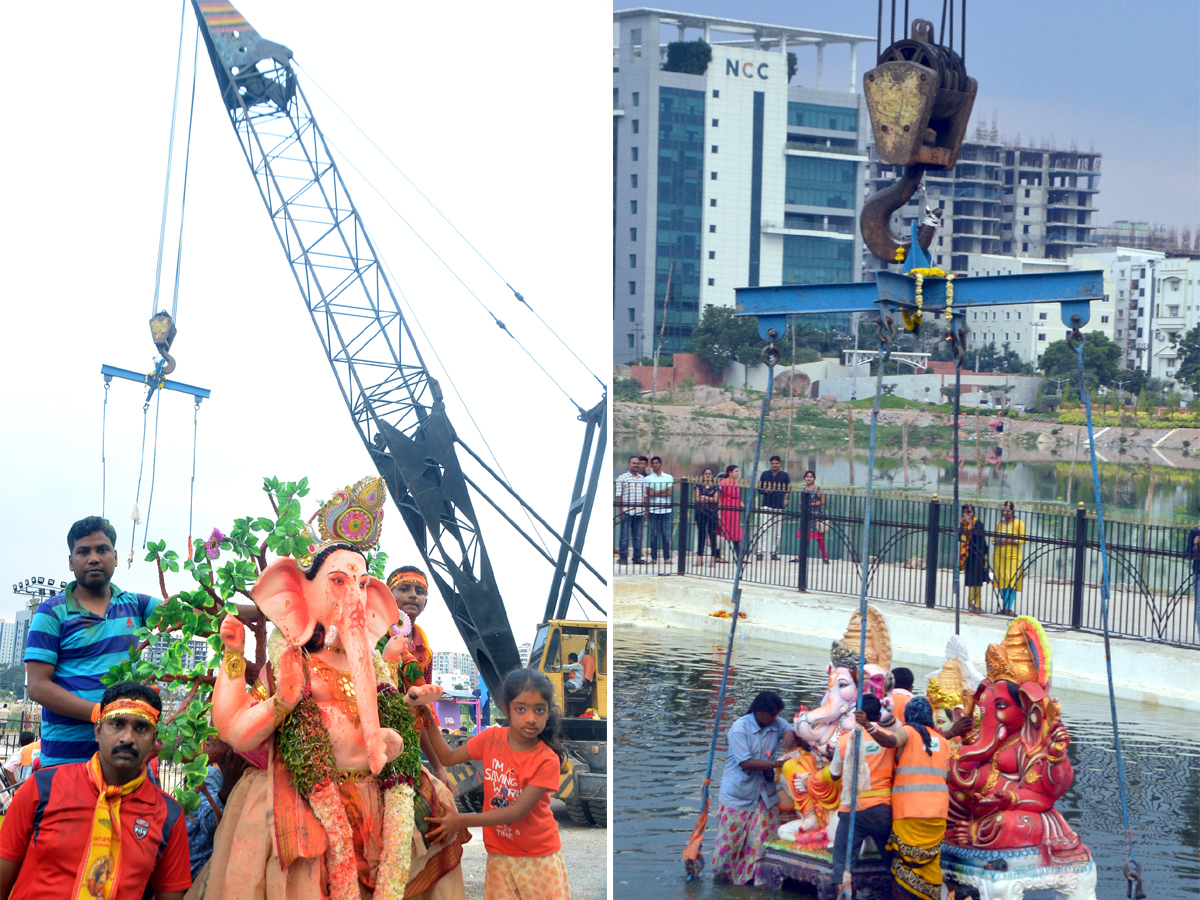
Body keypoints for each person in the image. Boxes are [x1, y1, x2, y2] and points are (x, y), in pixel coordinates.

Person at [0, 681, 191, 900]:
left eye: (141, 728)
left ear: (153, 738)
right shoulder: (43, 788)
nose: (127, 738)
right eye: (117, 724)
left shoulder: (169, 816)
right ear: (98, 731)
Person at [25, 517, 161, 767]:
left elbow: (192, 613)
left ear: (116, 557)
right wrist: (101, 714)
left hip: (126, 757)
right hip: (66, 760)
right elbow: (37, 687)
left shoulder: (136, 605)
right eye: (83, 551)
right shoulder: (52, 613)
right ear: (71, 561)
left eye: (102, 549)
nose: (94, 558)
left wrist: (256, 606)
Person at [425, 668, 571, 900]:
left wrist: (460, 821)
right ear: (506, 709)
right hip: (499, 853)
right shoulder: (491, 739)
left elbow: (516, 812)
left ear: (547, 713)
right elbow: (448, 758)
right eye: (521, 709)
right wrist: (426, 716)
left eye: (539, 710)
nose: (531, 718)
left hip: (537, 857)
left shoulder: (546, 760)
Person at [862, 697, 950, 900]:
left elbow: (890, 741)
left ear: (909, 716)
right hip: (937, 815)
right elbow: (948, 775)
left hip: (909, 812)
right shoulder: (944, 742)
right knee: (930, 864)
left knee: (904, 864)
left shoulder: (909, 732)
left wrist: (868, 725)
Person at [386, 564, 456, 790]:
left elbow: (423, 710)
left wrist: (439, 767)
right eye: (404, 588)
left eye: (420, 591)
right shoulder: (374, 634)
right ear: (387, 595)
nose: (413, 595)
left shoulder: (423, 649)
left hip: (408, 744)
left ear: (426, 602)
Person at [711, 691, 789, 886]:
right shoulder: (740, 728)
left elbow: (788, 727)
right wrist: (776, 765)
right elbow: (745, 763)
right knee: (730, 845)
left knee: (761, 844)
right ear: (760, 712)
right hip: (739, 795)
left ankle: (755, 880)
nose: (775, 719)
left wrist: (788, 734)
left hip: (764, 796)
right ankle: (723, 880)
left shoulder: (775, 724)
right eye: (772, 715)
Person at [826, 696, 894, 899]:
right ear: (879, 716)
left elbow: (834, 774)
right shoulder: (889, 738)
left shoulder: (844, 741)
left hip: (853, 808)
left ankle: (843, 893)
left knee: (843, 862)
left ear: (856, 714)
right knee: (893, 858)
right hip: (882, 808)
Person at [185, 740, 248, 880]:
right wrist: (226, 789)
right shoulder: (210, 774)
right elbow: (208, 823)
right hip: (195, 870)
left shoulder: (250, 780)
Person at [992, 501, 1026, 615]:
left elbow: (1023, 540)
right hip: (999, 556)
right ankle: (1005, 606)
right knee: (1001, 580)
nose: (1005, 512)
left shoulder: (1019, 523)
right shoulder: (999, 523)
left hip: (1013, 556)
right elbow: (993, 538)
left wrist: (1009, 541)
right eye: (1003, 510)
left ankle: (1008, 607)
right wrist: (995, 541)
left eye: (1007, 510)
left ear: (1012, 511)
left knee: (1011, 579)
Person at [756, 456, 790, 561]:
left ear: (780, 464)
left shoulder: (784, 475)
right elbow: (759, 489)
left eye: (777, 463)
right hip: (766, 504)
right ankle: (760, 551)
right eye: (773, 463)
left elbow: (788, 489)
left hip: (779, 505)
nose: (775, 465)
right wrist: (765, 490)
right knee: (764, 528)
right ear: (770, 464)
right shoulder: (765, 474)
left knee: (777, 531)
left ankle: (773, 552)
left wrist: (786, 499)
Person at [615, 456, 646, 565]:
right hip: (627, 511)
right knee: (625, 536)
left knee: (638, 536)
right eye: (634, 463)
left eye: (637, 463)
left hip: (640, 511)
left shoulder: (642, 479)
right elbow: (618, 495)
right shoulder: (622, 478)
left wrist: (646, 510)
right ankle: (623, 558)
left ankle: (637, 558)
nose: (636, 465)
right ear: (629, 464)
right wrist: (620, 510)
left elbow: (645, 495)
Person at [644, 456, 675, 564]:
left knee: (666, 535)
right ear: (651, 465)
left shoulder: (668, 477)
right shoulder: (648, 478)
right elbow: (648, 493)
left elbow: (670, 492)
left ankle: (666, 558)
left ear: (661, 464)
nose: (655, 465)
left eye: (657, 463)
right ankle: (654, 558)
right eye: (653, 463)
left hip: (665, 510)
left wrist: (655, 492)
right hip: (653, 510)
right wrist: (663, 490)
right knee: (653, 535)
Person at [795, 470, 829, 565]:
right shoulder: (804, 489)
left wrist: (811, 504)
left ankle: (825, 557)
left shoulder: (818, 489)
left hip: (815, 515)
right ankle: (800, 556)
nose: (808, 478)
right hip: (805, 515)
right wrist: (801, 504)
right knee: (805, 537)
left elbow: (822, 501)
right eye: (807, 477)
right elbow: (800, 501)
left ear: (814, 478)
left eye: (810, 477)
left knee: (819, 538)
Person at [718, 465, 745, 565]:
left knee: (736, 534)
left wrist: (742, 504)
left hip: (734, 511)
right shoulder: (723, 483)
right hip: (726, 510)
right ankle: (717, 555)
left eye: (738, 471)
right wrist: (719, 512)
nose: (737, 473)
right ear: (730, 472)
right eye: (736, 471)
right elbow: (720, 498)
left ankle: (739, 556)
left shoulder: (736, 484)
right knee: (722, 532)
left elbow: (738, 498)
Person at [694, 467, 722, 565]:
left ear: (712, 476)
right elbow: (697, 499)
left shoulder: (716, 487)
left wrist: (705, 498)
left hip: (712, 513)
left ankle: (713, 559)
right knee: (701, 535)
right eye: (706, 474)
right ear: (703, 475)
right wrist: (709, 499)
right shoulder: (698, 486)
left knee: (712, 535)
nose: (708, 475)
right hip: (701, 512)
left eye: (709, 474)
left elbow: (715, 500)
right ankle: (699, 559)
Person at [963, 518, 990, 614]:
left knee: (977, 581)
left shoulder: (978, 523)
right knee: (972, 581)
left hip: (979, 555)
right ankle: (973, 603)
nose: (968, 515)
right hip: (969, 557)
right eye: (965, 512)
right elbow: (960, 537)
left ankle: (974, 603)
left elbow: (978, 537)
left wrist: (971, 525)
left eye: (969, 512)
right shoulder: (963, 525)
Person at [1186, 511, 1200, 638]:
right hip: (1198, 571)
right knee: (1199, 605)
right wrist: (1196, 544)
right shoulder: (1195, 531)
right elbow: (1189, 553)